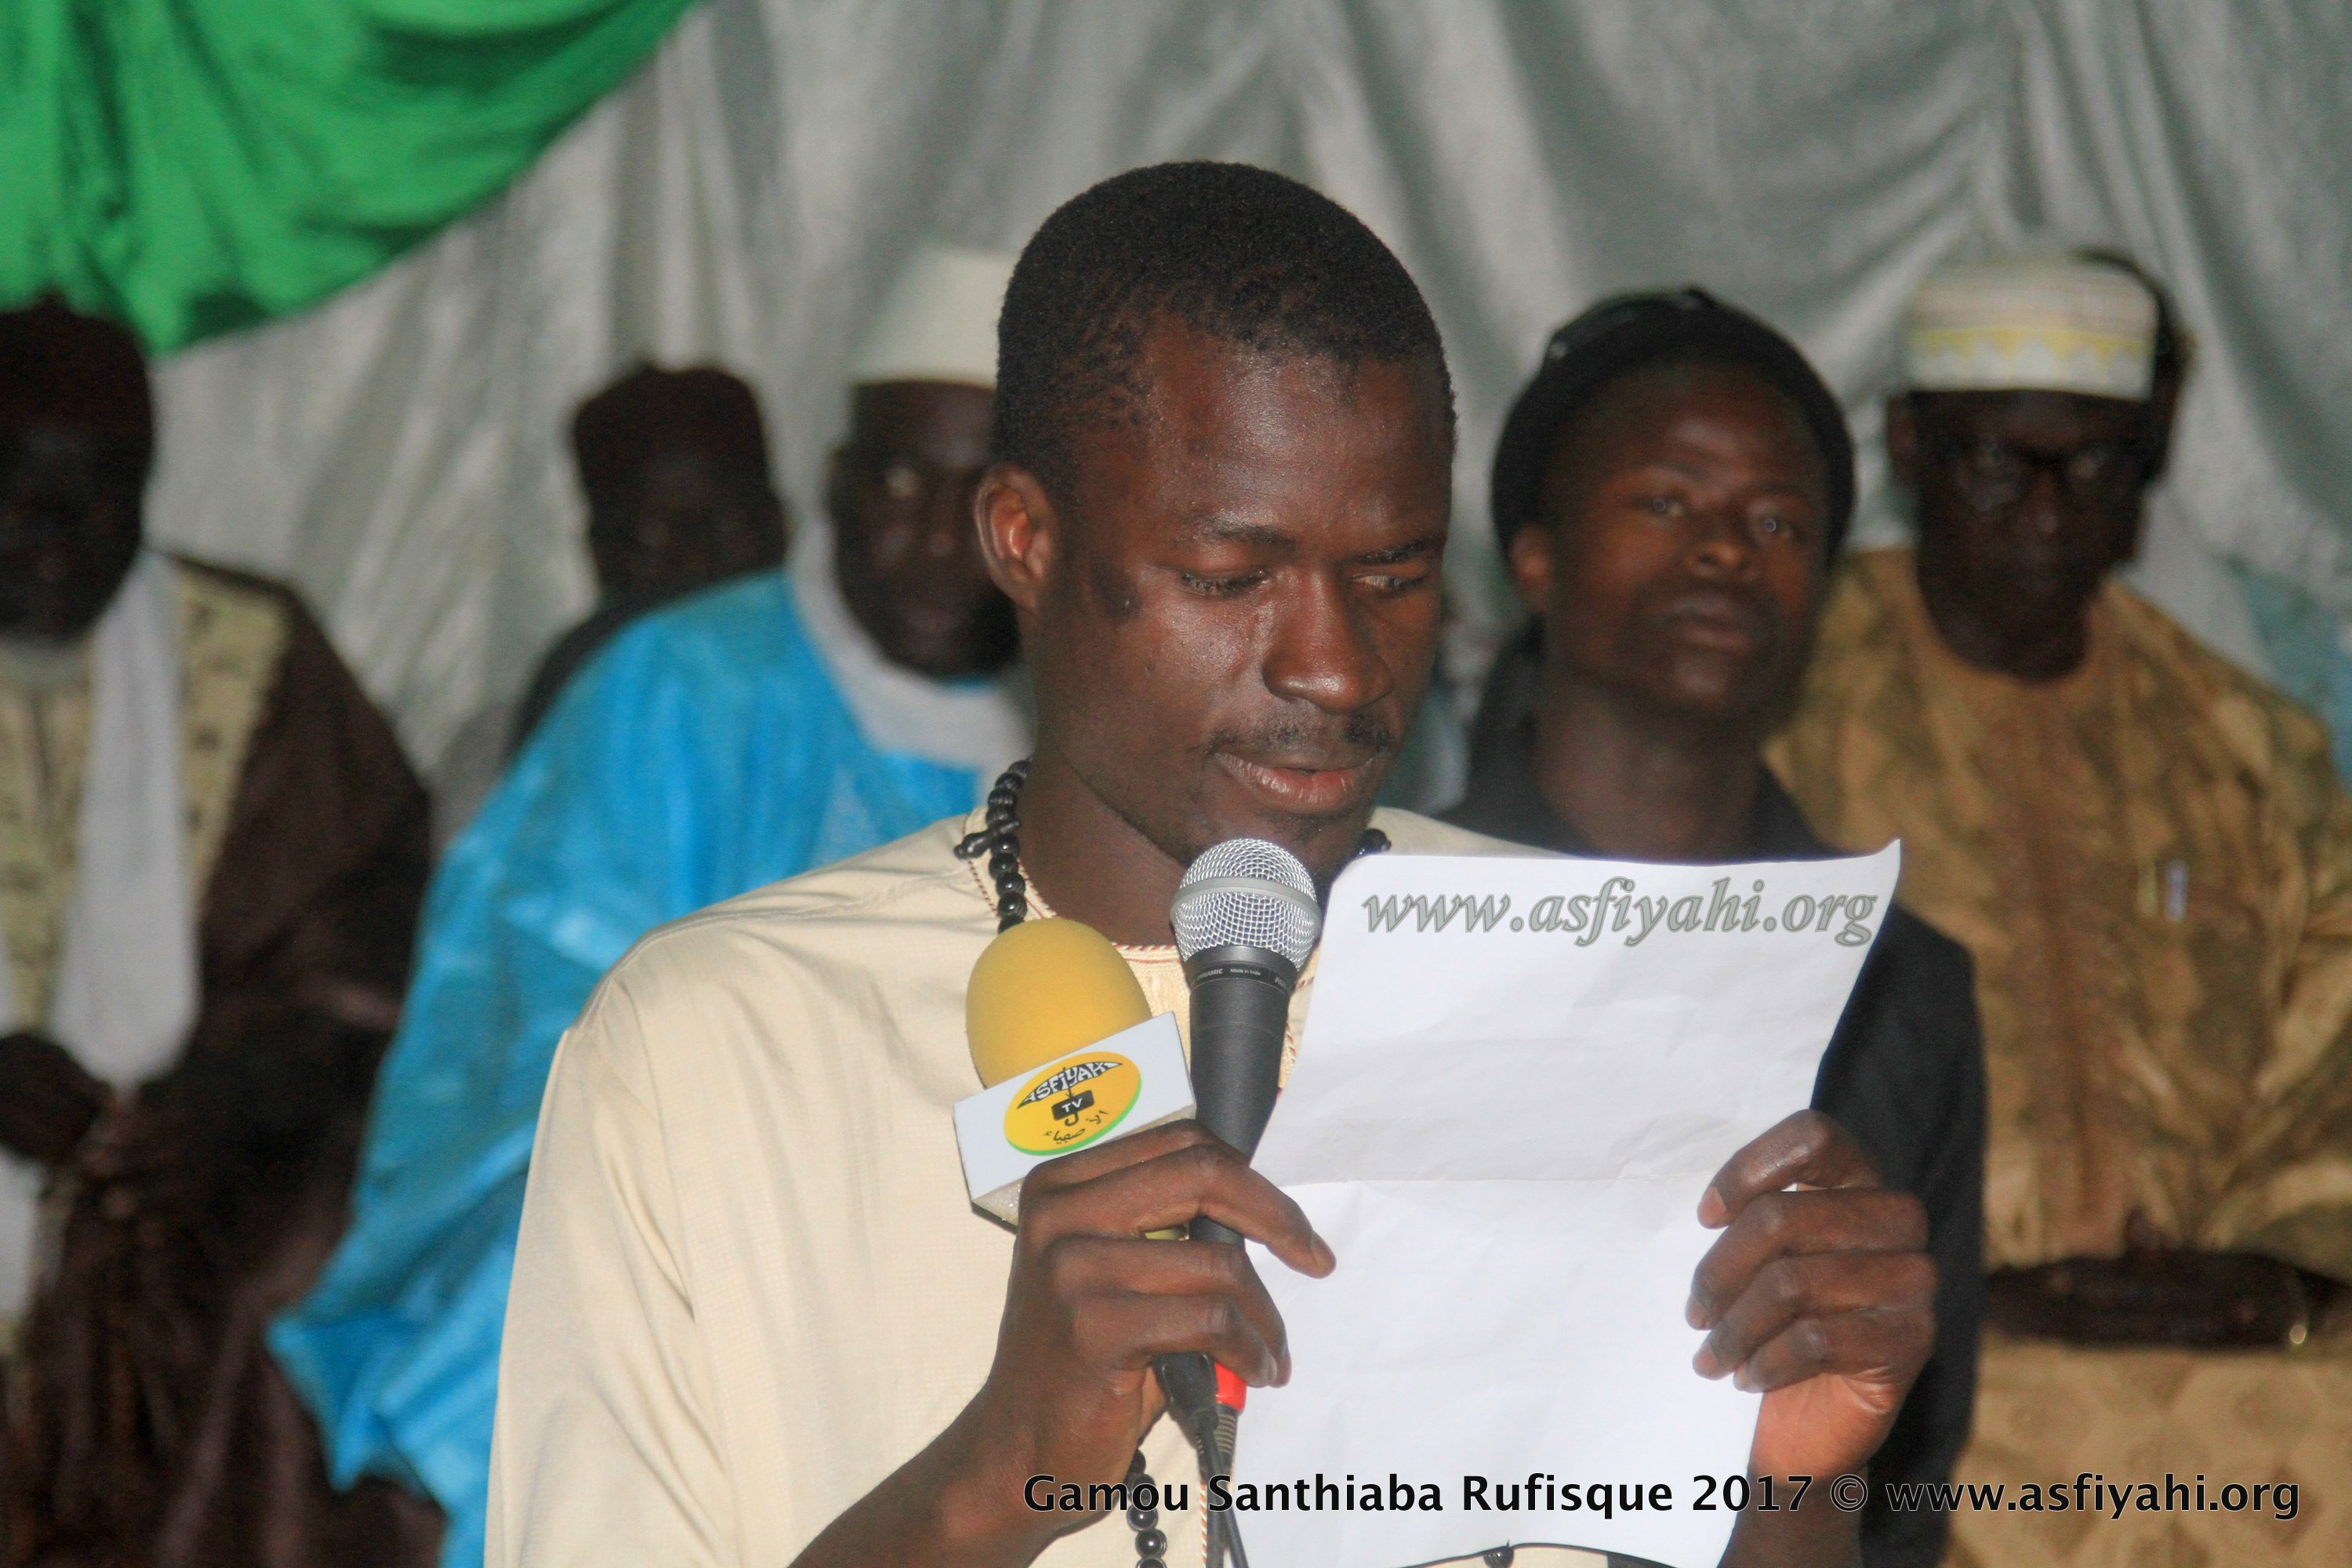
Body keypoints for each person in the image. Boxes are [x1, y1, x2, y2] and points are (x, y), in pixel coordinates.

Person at [486, 162, 1936, 1568]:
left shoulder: (1601, 996)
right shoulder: (706, 1051)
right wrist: (998, 1482)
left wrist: (1797, 1497)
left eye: (1392, 575)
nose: (1332, 666)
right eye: (1232, 579)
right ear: (1025, 540)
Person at [270, 242, 1029, 1567]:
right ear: (837, 487)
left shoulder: (1103, 705)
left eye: (978, 495)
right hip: (696, 1201)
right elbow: (530, 1002)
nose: (929, 536)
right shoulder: (678, 681)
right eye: (900, 480)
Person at [1768, 249, 2352, 1565]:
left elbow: (2338, 1039)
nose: (2047, 512)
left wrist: (2274, 1271)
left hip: (2238, 1350)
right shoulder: (1789, 708)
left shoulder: (2247, 744)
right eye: (1997, 464)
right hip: (1910, 1349)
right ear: (1912, 449)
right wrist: (1950, 1282)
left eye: (2095, 468)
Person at [1448, 290, 1985, 1568]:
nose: (1729, 551)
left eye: (1779, 521)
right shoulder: (1386, 913)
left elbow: (1910, 1471)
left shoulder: (1903, 981)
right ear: (1536, 558)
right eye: (1667, 501)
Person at [0, 300, 435, 1564]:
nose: (57, 533)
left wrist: (197, 1108)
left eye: (101, 492)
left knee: (316, 1275)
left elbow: (361, 933)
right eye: (18, 485)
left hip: (187, 1184)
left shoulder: (247, 652)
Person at [433, 364, 792, 848]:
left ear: (781, 527)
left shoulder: (870, 723)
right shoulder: (508, 755)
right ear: (598, 554)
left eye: (728, 525)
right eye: (651, 536)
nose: (695, 561)